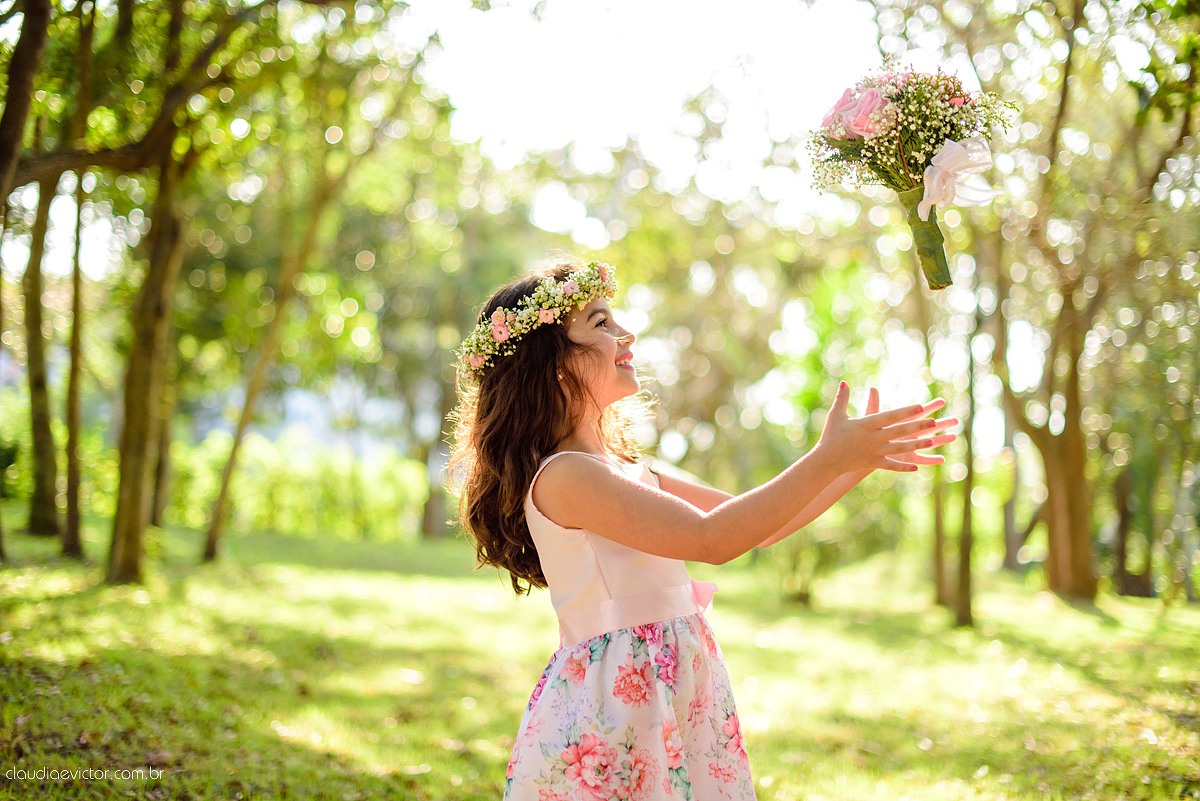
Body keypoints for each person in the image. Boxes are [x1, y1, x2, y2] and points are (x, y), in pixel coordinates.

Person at [447, 259, 956, 801]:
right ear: (553, 366)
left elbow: (760, 524)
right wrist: (826, 459)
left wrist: (854, 461)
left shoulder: (626, 467)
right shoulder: (565, 475)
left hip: (674, 682)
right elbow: (712, 539)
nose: (626, 333)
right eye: (599, 323)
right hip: (614, 709)